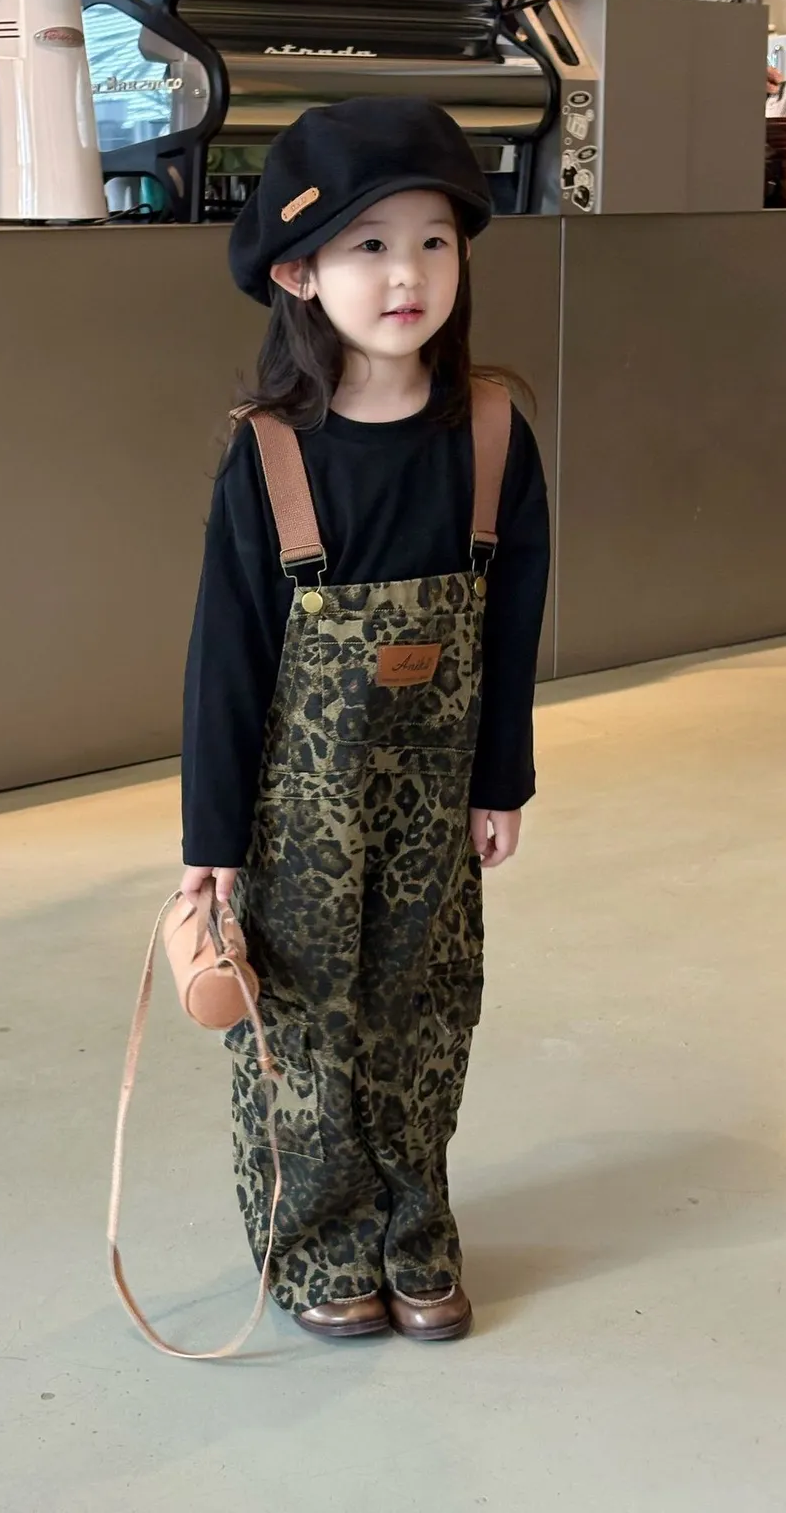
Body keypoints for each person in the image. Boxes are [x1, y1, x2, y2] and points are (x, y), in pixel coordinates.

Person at [180, 98, 551, 1342]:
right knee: (303, 1028)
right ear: (299, 273)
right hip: (296, 819)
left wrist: (500, 780)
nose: (408, 275)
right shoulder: (269, 456)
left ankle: (413, 1227)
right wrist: (211, 843)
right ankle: (319, 1241)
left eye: (435, 241)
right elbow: (224, 662)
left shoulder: (493, 434)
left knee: (424, 1014)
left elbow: (514, 626)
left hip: (434, 807)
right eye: (370, 246)